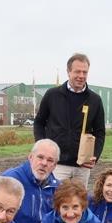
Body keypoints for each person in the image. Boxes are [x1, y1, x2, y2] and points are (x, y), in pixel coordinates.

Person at [34, 53, 105, 186]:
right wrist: (41, 147)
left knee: (78, 203)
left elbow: (100, 132)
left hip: (82, 166)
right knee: (55, 201)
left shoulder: (94, 100)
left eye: (85, 72)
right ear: (68, 72)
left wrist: (94, 155)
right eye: (77, 71)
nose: (81, 76)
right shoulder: (52, 95)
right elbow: (39, 123)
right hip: (57, 164)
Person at [1, 139, 60, 223]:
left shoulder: (57, 187)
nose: (44, 163)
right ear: (30, 157)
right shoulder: (11, 180)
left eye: (50, 160)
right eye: (40, 157)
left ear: (54, 165)